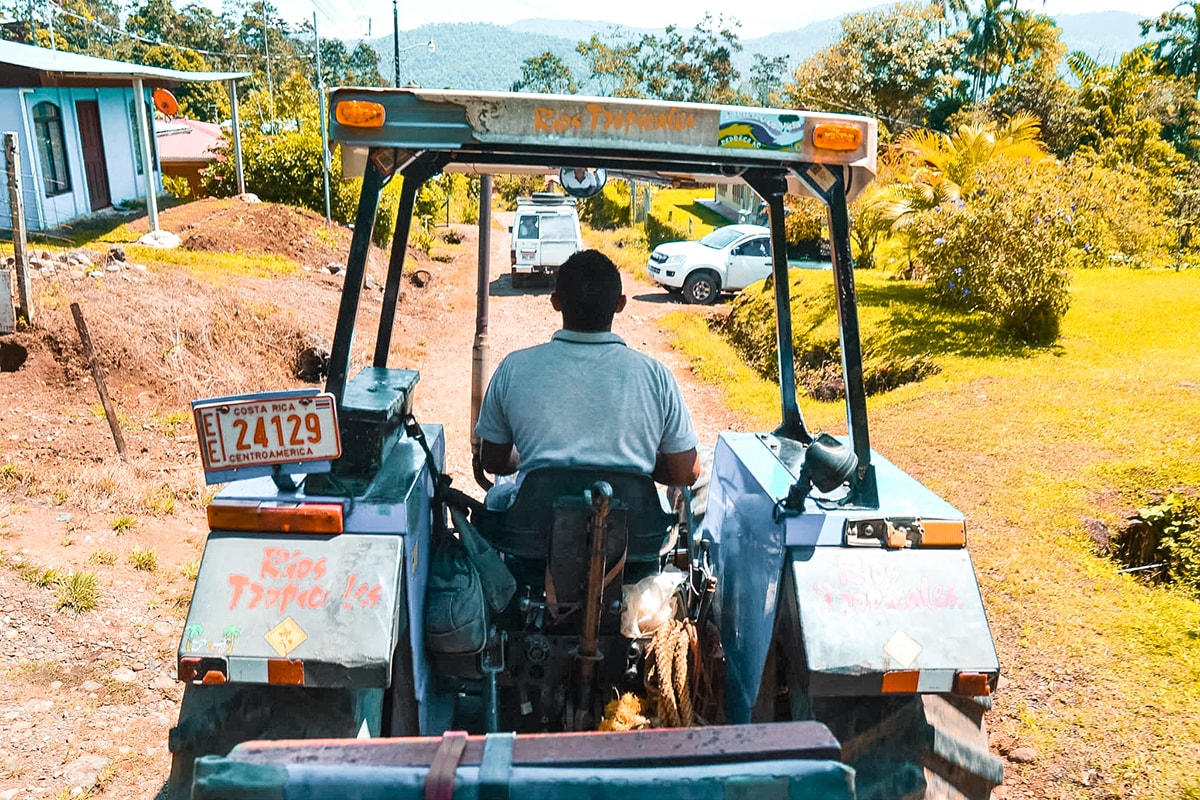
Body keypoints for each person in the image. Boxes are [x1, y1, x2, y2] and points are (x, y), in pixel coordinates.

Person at [475, 249, 700, 509]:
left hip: (533, 537)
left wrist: (532, 459)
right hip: (635, 542)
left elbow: (491, 460)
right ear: (620, 304)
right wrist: (642, 464)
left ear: (555, 302)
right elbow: (687, 471)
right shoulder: (656, 376)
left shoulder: (514, 368)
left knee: (496, 498)